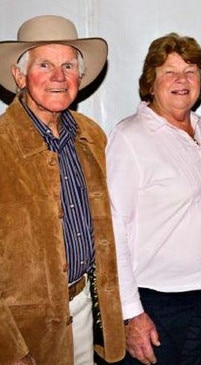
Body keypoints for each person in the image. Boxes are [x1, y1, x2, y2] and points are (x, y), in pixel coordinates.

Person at [0, 15, 124, 365]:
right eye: (45, 65)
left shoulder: (91, 136)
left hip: (83, 308)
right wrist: (9, 349)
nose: (58, 76)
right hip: (23, 329)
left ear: (80, 77)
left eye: (68, 65)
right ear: (19, 75)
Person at [106, 33, 201, 364]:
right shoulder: (131, 137)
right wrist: (131, 313)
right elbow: (113, 230)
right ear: (151, 82)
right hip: (154, 302)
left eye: (190, 71)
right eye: (169, 71)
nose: (182, 80)